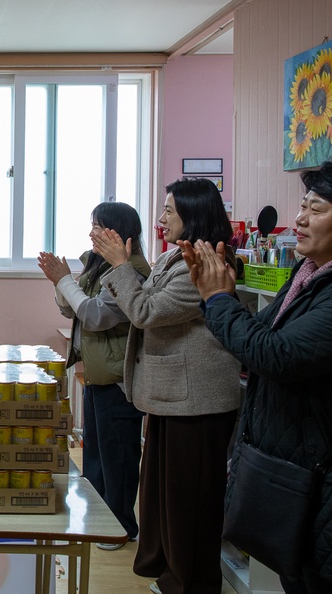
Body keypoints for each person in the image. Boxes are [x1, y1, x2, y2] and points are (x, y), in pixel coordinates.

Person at [179, 158, 332, 594]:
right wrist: (219, 296)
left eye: (316, 208)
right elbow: (262, 338)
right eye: (302, 206)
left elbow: (276, 355)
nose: (299, 220)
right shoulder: (312, 276)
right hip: (300, 474)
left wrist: (219, 300)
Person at [93, 178, 242, 594]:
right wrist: (121, 266)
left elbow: (144, 311)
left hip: (197, 400)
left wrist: (121, 265)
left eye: (169, 210)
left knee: (189, 503)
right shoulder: (176, 257)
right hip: (170, 395)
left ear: (193, 215)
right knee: (164, 498)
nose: (160, 219)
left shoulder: (209, 262)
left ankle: (191, 582)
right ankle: (171, 574)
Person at [37, 202, 149, 551]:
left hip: (119, 377)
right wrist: (61, 281)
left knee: (119, 457)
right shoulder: (98, 263)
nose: (91, 233)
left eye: (98, 226)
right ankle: (102, 520)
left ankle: (122, 526)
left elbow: (95, 314)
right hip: (100, 372)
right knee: (97, 455)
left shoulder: (132, 270)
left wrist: (64, 280)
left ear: (118, 232)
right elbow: (71, 306)